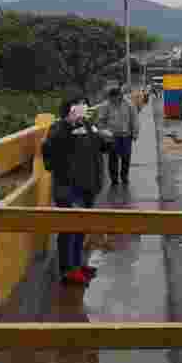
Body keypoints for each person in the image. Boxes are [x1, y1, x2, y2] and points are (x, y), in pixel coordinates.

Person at [42, 96, 108, 285]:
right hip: (69, 188)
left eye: (84, 105)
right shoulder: (58, 128)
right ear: (68, 110)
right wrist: (68, 124)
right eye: (78, 106)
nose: (83, 109)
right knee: (69, 229)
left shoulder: (88, 125)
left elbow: (100, 147)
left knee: (81, 228)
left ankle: (78, 264)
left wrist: (105, 139)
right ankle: (67, 270)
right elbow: (50, 152)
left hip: (88, 186)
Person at [99, 86, 140, 185]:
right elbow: (101, 121)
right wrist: (104, 133)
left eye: (114, 97)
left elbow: (134, 120)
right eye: (111, 98)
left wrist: (135, 133)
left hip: (126, 135)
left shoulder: (129, 104)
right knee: (113, 158)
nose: (112, 100)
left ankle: (124, 176)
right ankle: (114, 178)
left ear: (120, 96)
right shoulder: (105, 105)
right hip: (112, 136)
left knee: (126, 157)